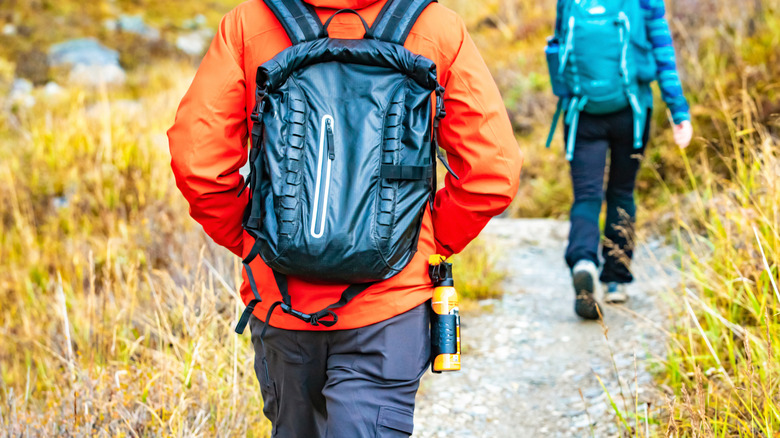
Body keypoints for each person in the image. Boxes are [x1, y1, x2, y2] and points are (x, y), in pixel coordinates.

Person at [168, 0, 522, 436]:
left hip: (282, 302)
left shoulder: (249, 25)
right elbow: (493, 172)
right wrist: (428, 241)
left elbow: (196, 164)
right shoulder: (435, 27)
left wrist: (253, 242)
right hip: (390, 308)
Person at [548, 0, 693, 319]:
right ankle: (615, 280)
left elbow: (559, 44)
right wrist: (678, 109)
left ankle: (583, 260)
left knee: (586, 195)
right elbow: (662, 48)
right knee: (622, 192)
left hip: (582, 112)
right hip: (633, 112)